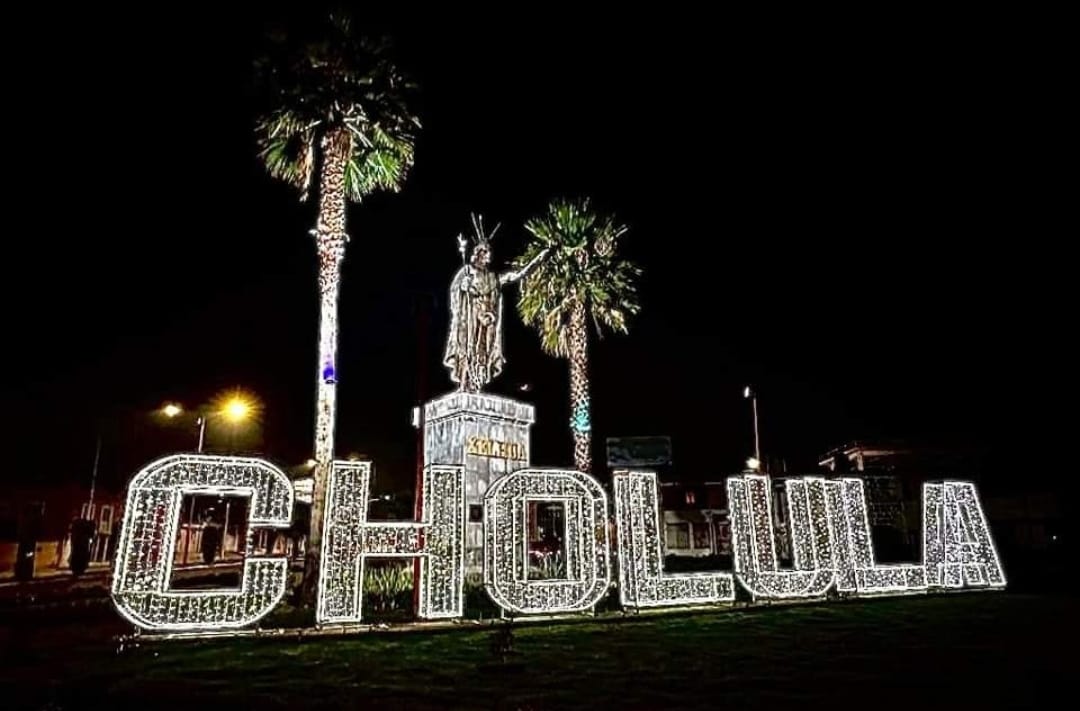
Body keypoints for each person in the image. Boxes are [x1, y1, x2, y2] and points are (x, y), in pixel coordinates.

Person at [443, 225, 547, 392]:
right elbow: (456, 292)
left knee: (482, 351)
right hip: (470, 315)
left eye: (489, 252)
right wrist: (464, 287)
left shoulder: (493, 277)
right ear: (478, 254)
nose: (489, 255)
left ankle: (475, 384)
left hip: (486, 317)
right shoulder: (468, 270)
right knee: (466, 348)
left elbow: (516, 275)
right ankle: (464, 383)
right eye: (485, 252)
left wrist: (536, 261)